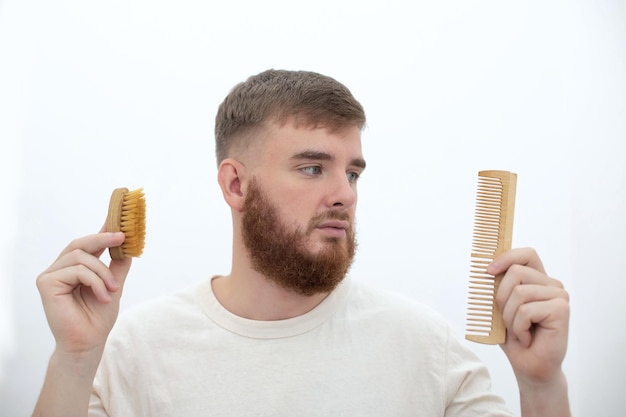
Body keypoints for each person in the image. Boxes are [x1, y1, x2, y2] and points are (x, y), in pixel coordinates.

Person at [32, 69, 570, 417]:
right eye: (313, 168)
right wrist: (74, 361)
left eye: (353, 174)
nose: (344, 195)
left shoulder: (426, 350)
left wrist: (543, 386)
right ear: (235, 184)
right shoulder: (134, 354)